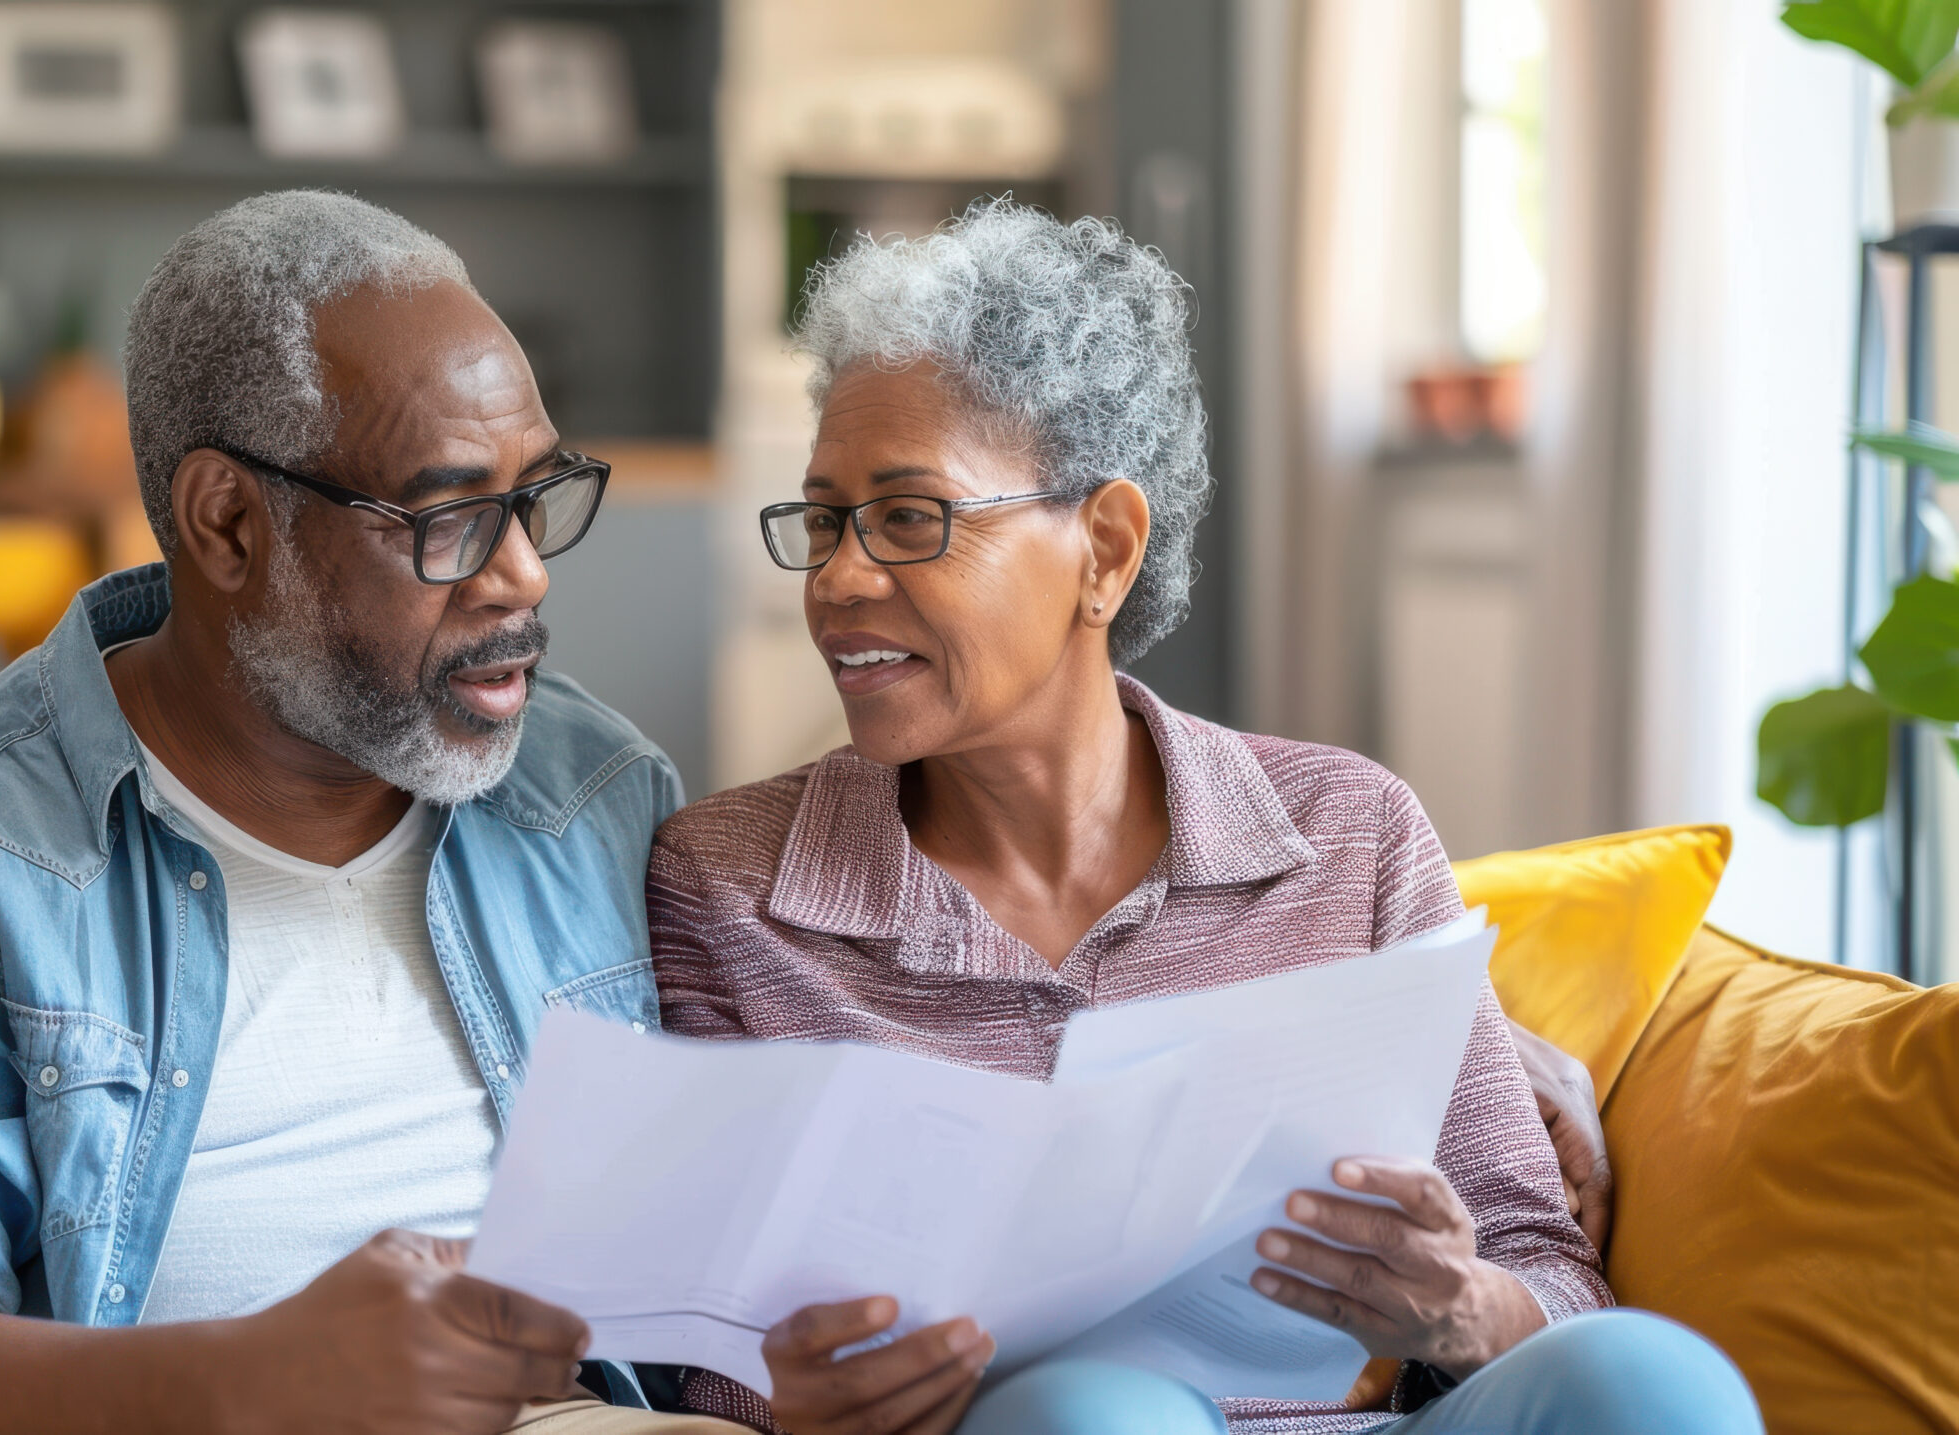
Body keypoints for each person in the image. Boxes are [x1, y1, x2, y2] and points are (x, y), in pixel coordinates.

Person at [646, 201, 1761, 1435]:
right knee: (1096, 1415)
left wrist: (1461, 1309)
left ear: (1104, 549)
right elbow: (705, 1355)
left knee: (1651, 1377)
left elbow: (1541, 1258)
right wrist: (800, 1403)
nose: (840, 578)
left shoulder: (1352, 830)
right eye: (822, 521)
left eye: (910, 517)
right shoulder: (728, 883)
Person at [0, 192, 743, 1435]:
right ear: (228, 522)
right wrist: (248, 1382)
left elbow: (692, 1253)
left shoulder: (591, 791)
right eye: (451, 514)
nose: (523, 570)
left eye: (537, 496)